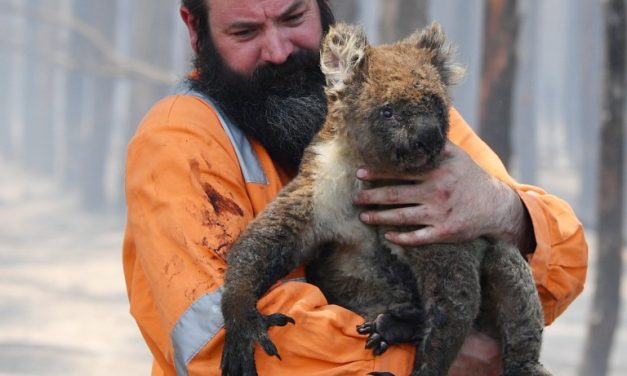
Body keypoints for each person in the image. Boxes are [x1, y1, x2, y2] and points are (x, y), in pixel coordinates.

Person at [122, 0, 588, 375]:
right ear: (196, 28)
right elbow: (214, 341)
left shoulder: (397, 88)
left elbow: (561, 272)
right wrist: (432, 361)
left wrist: (503, 211)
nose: (279, 50)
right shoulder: (179, 137)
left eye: (293, 17)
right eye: (245, 32)